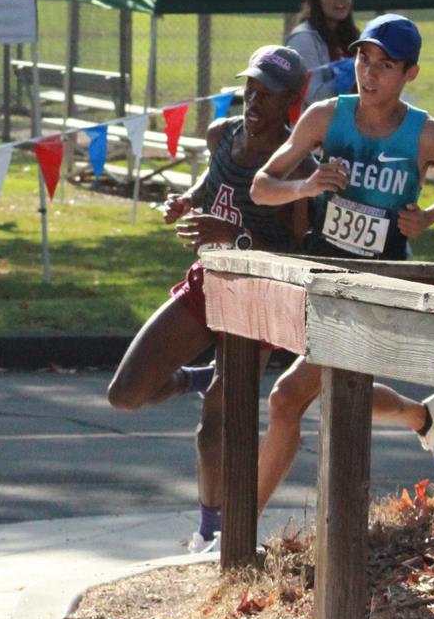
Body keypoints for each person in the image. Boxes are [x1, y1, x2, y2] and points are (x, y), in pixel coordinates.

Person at [248, 14, 434, 514]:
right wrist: (306, 186)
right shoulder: (325, 117)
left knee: (289, 399)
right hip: (325, 280)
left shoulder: (429, 136)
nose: (368, 74)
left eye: (384, 65)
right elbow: (262, 186)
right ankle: (424, 418)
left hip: (381, 285)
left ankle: (238, 532)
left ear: (409, 74)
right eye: (362, 59)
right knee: (331, 390)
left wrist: (429, 218)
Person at [105, 45, 310, 553]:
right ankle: (191, 379)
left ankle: (209, 532)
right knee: (125, 394)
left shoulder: (295, 163)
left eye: (266, 94)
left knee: (215, 423)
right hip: (207, 282)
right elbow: (209, 185)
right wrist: (188, 202)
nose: (253, 101)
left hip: (258, 298)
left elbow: (298, 252)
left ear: (291, 103)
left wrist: (233, 237)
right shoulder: (223, 135)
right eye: (249, 89)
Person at [284, 0, 359, 106]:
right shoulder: (303, 38)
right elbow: (314, 97)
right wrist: (351, 73)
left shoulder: (352, 37)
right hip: (317, 123)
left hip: (352, 122)